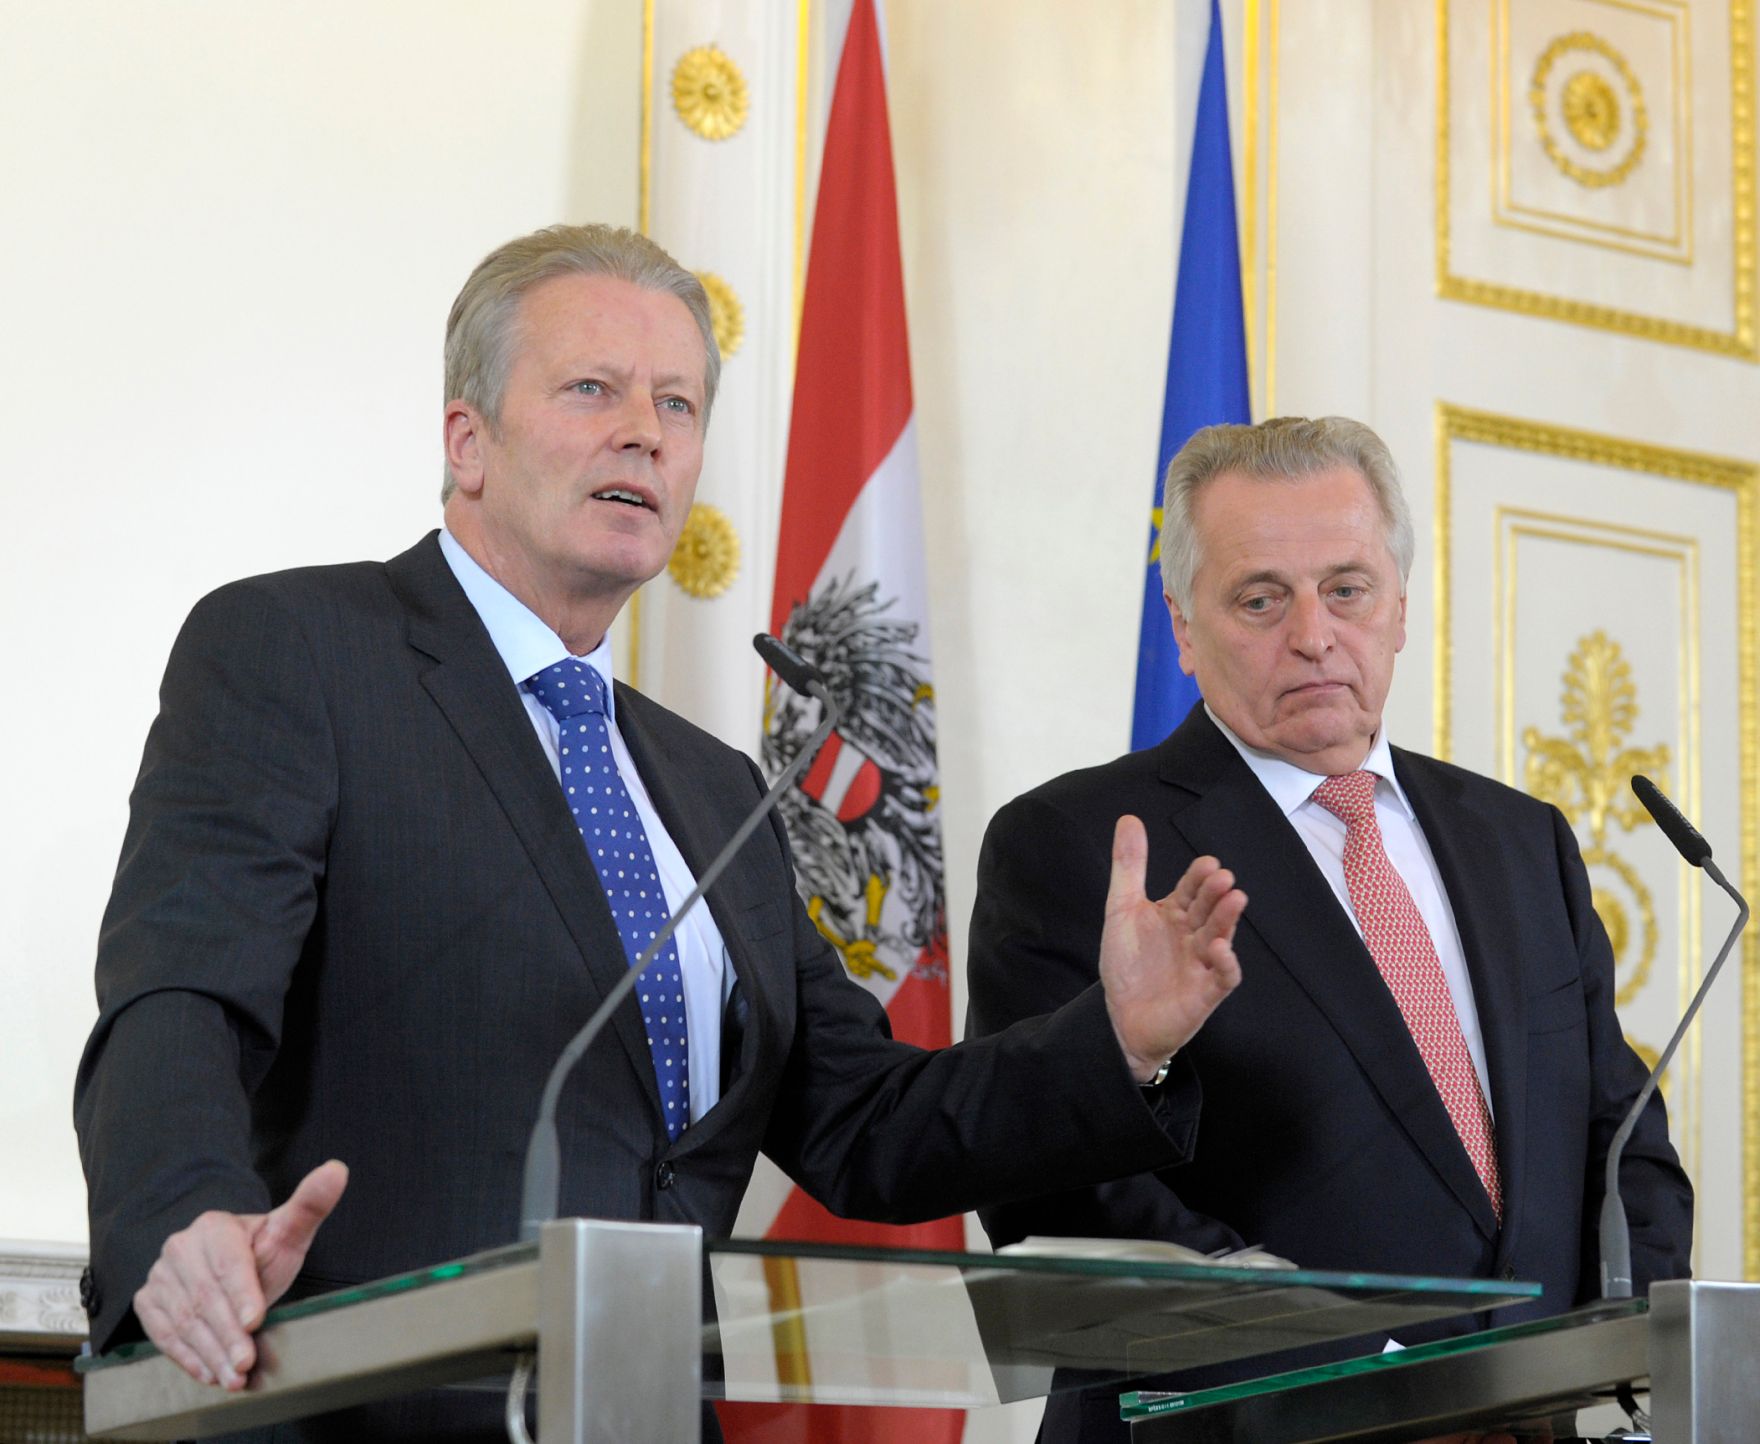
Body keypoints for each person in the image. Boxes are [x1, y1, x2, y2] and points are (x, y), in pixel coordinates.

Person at [72, 224, 1245, 1440]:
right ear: (465, 440)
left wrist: (1115, 1040)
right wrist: (186, 1219)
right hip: (353, 1411)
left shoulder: (715, 788)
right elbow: (180, 992)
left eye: (677, 404)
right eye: (593, 389)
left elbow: (865, 1126)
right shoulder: (301, 651)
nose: (646, 430)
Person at [965, 416, 1694, 1442]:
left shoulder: (1520, 840)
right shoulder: (1079, 844)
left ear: (1396, 605)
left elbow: (1624, 1148)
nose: (1312, 633)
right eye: (1260, 597)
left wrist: (1616, 1360)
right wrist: (1383, 1380)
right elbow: (1056, 1187)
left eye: (1345, 588)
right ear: (1181, 623)